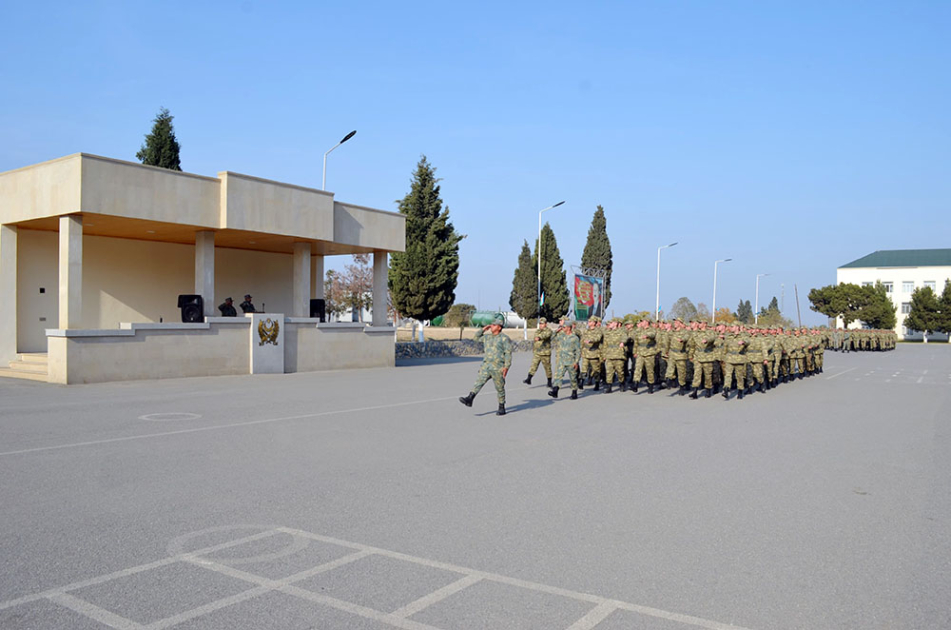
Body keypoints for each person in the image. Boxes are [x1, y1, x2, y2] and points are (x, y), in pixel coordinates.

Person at [459, 313, 513, 416]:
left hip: (498, 367)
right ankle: (470, 398)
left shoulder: (504, 338)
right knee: (478, 382)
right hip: (486, 366)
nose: (491, 326)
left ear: (499, 326)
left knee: (500, 388)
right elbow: (476, 338)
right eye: (491, 325)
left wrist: (506, 367)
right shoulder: (487, 337)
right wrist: (483, 329)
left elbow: (508, 353)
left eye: (493, 325)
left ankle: (501, 407)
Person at [548, 321, 581, 399]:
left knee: (573, 378)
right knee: (558, 376)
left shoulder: (574, 338)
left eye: (564, 327)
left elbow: (578, 351)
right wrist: (556, 331)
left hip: (571, 361)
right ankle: (555, 391)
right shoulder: (561, 335)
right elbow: (551, 338)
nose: (562, 328)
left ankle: (574, 392)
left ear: (569, 328)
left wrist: (576, 362)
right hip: (562, 360)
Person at [523, 317, 553, 387]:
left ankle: (549, 381)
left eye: (542, 324)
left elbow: (546, 335)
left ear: (545, 324)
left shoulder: (548, 331)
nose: (541, 325)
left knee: (547, 368)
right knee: (533, 365)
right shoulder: (537, 331)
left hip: (545, 353)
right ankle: (529, 378)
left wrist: (539, 338)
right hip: (537, 352)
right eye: (540, 324)